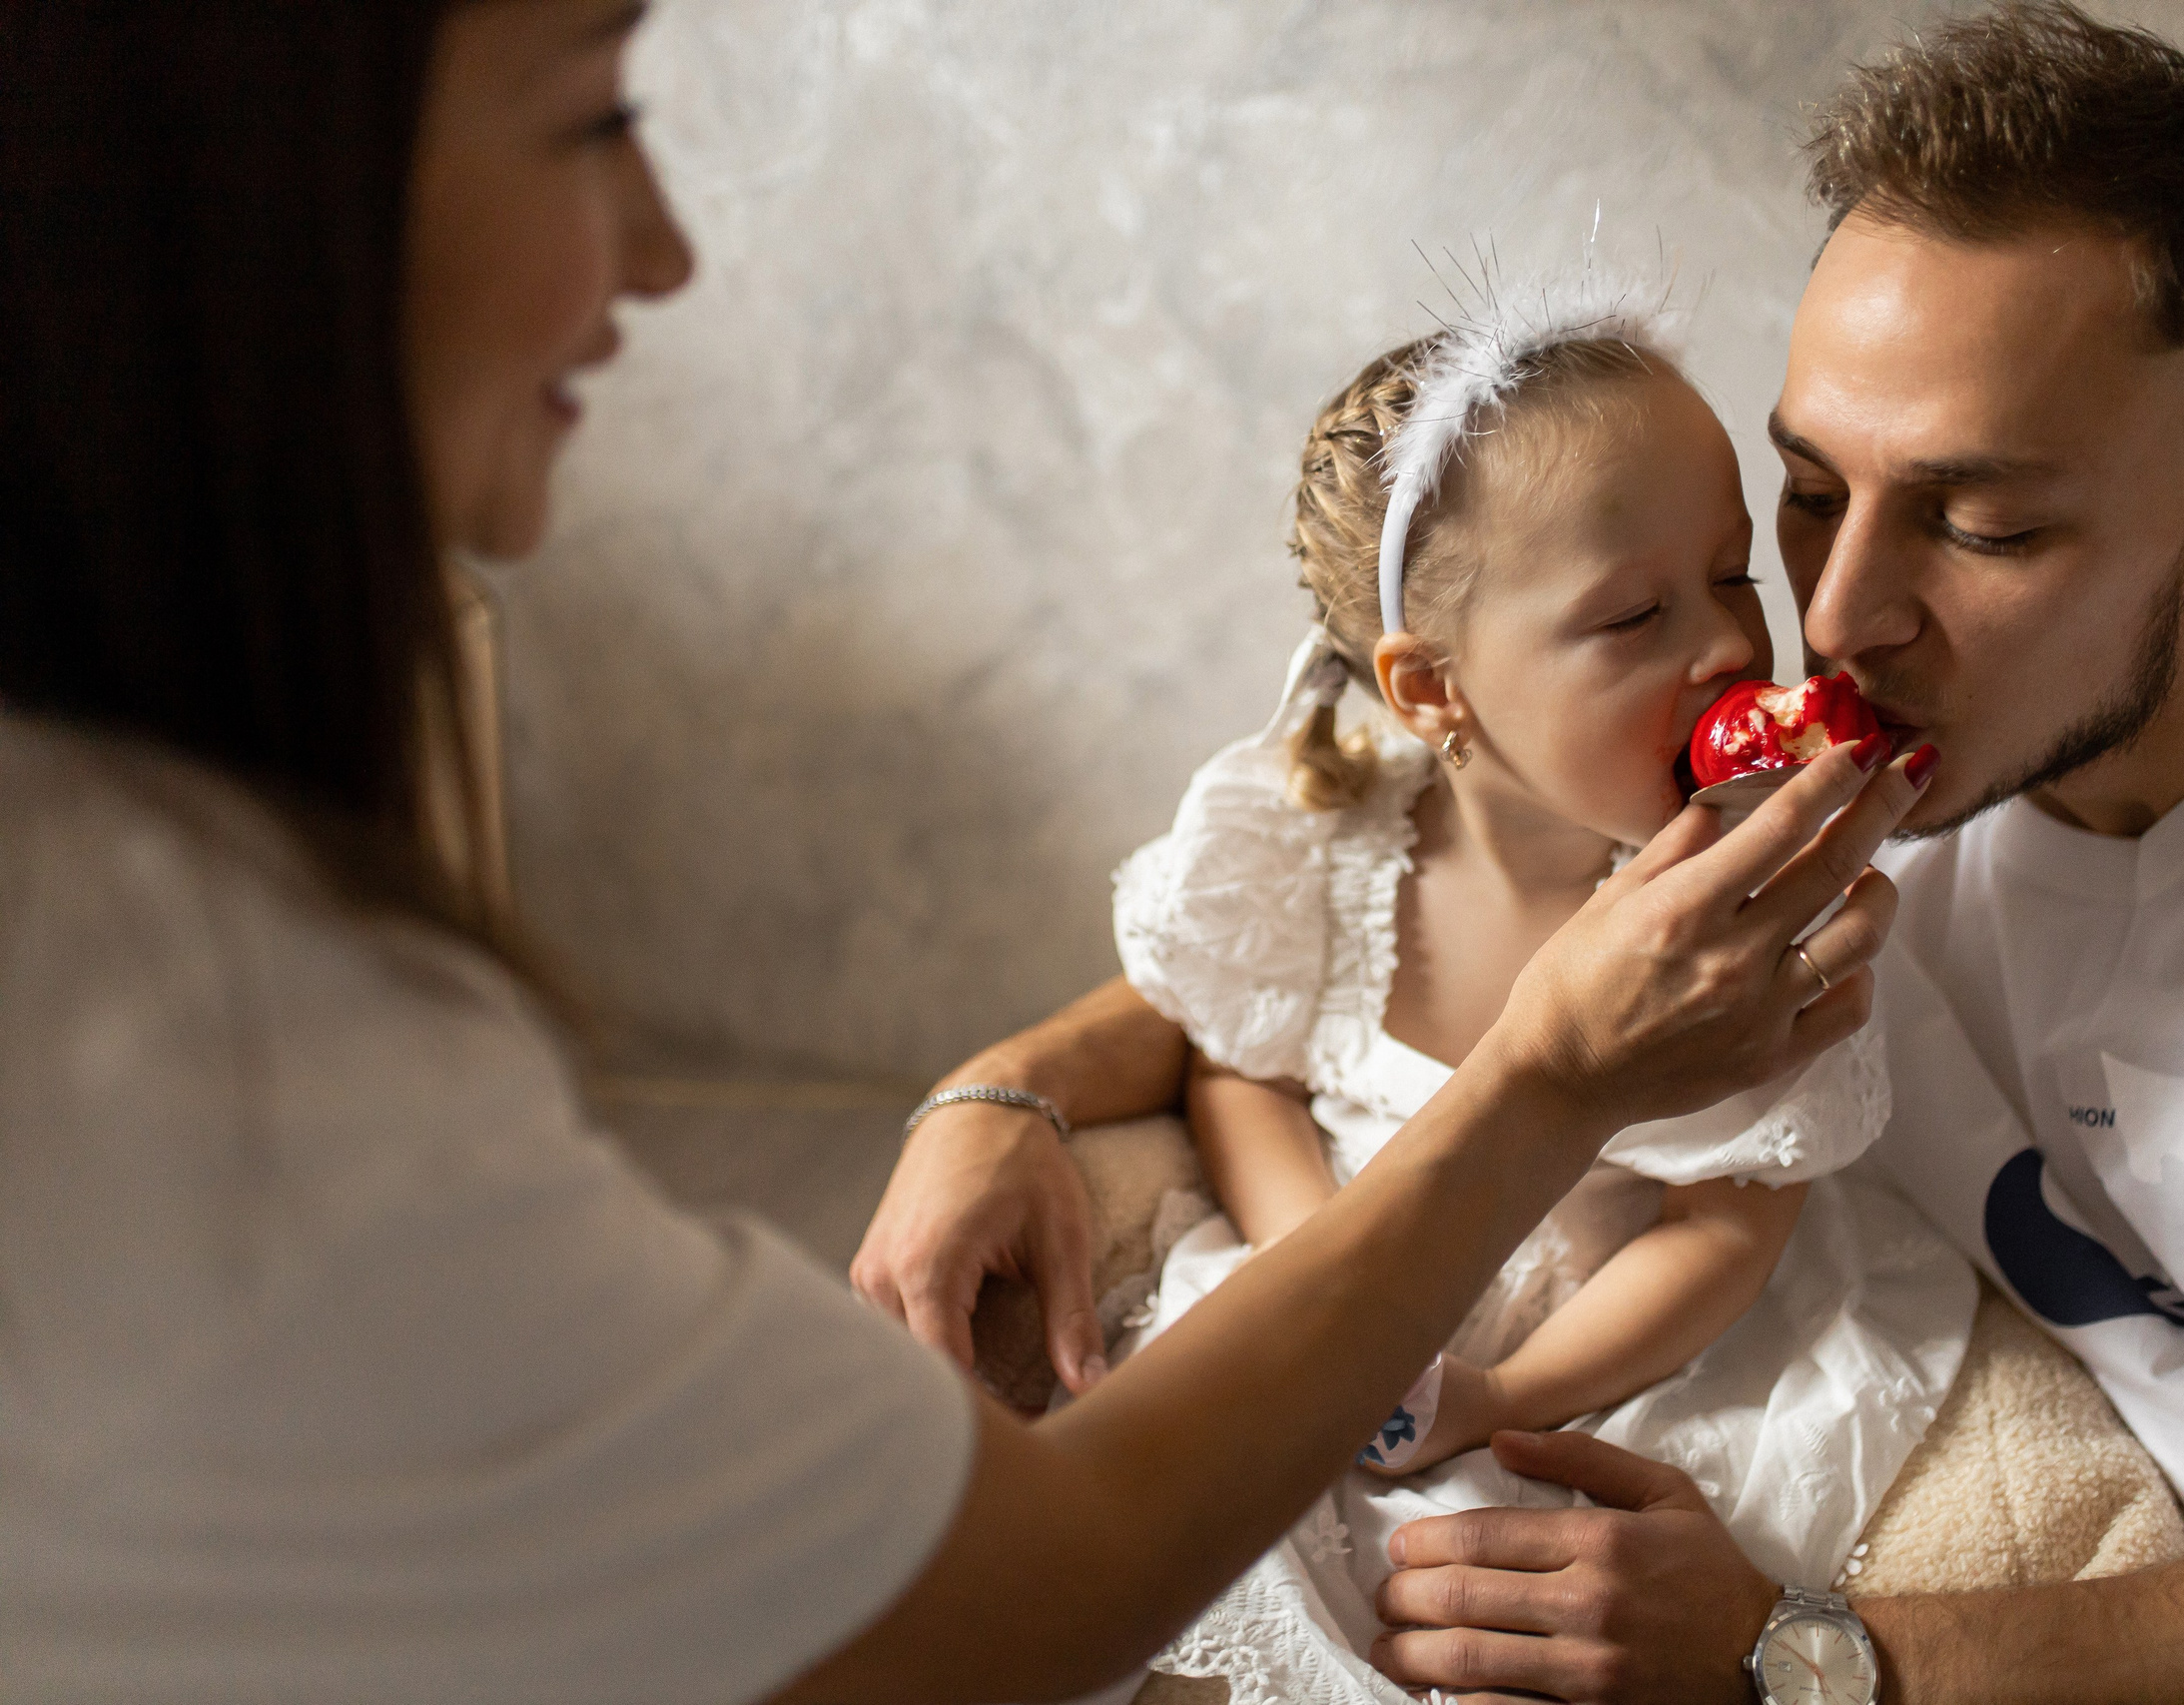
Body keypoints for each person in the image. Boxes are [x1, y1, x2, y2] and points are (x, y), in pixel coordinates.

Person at [0, 5, 1928, 1702]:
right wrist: (1530, 1097)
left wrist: (998, 1085)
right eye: (593, 113)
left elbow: (1677, 1207)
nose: (668, 249)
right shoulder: (205, 1054)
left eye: (1735, 575)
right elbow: (1016, 1584)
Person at [856, 5, 2184, 1698]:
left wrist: (1806, 1658)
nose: (1834, 620)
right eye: (1810, 491)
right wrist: (997, 1094)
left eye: (1984, 526)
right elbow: (1325, 948)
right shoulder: (1844, 764)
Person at [1089, 302, 1965, 1701]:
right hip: (1333, 1289)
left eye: (1735, 577)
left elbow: (1727, 1230)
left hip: (1604, 1358)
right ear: (1435, 689)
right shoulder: (1314, 844)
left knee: (1491, 1612)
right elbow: (1234, 1071)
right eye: (1634, 614)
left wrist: (1500, 1397)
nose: (1734, 651)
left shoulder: (1746, 924)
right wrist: (1328, 1270)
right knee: (1178, 1560)